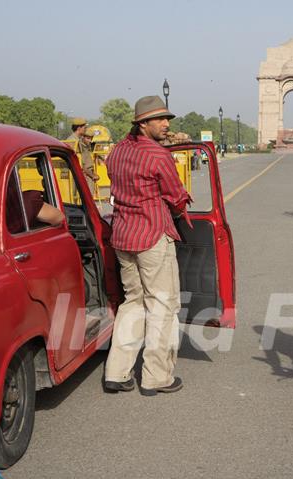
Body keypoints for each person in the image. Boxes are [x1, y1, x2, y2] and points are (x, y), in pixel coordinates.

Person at [103, 95, 191, 396]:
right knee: (162, 305)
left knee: (132, 303)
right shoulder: (157, 155)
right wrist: (180, 209)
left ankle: (116, 372)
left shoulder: (115, 152)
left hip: (123, 236)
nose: (167, 124)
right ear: (142, 124)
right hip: (152, 236)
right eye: (160, 120)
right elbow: (176, 194)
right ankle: (156, 377)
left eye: (168, 119)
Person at [80, 128, 100, 194]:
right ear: (83, 137)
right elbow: (82, 165)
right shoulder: (81, 147)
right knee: (88, 196)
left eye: (91, 138)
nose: (90, 140)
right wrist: (92, 175)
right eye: (88, 138)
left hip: (89, 174)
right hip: (86, 175)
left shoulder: (87, 147)